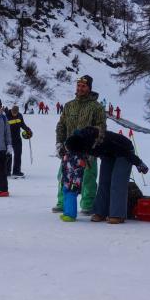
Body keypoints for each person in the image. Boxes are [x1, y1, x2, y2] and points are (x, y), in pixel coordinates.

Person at [64, 126, 149, 224]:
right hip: (107, 154)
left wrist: (138, 163)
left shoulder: (99, 139)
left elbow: (124, 151)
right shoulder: (78, 142)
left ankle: (117, 214)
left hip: (124, 151)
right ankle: (101, 212)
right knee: (104, 182)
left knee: (117, 182)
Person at [53, 75, 106, 214]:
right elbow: (61, 125)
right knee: (64, 176)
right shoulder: (69, 105)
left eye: (83, 86)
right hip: (69, 148)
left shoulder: (97, 107)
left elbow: (101, 128)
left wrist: (93, 147)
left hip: (87, 149)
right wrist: (59, 142)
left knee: (88, 177)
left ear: (89, 88)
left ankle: (88, 205)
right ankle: (62, 202)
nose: (80, 88)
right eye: (78, 85)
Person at [59, 146, 87, 222]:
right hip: (66, 179)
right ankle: (66, 212)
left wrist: (75, 181)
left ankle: (70, 215)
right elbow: (64, 168)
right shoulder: (68, 155)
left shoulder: (78, 156)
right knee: (65, 194)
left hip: (74, 181)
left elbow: (79, 170)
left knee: (71, 195)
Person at [6, 104, 32, 177]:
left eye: (16, 113)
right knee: (8, 155)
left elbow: (22, 124)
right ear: (11, 111)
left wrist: (27, 129)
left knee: (18, 154)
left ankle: (16, 171)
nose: (14, 114)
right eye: (13, 113)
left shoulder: (20, 116)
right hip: (8, 139)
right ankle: (7, 171)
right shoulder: (6, 115)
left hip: (17, 138)